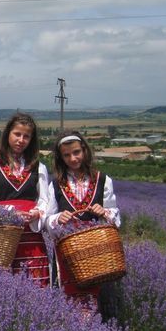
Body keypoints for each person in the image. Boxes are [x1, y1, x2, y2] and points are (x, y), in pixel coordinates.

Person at [0, 112, 53, 287]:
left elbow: (46, 201)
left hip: (31, 239)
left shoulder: (38, 168)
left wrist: (37, 213)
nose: (21, 140)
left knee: (35, 286)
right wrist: (10, 212)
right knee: (1, 287)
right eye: (17, 134)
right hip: (0, 240)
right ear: (8, 134)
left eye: (26, 136)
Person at [45, 131, 121, 309]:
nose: (73, 158)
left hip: (98, 254)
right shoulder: (56, 184)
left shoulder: (102, 180)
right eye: (66, 155)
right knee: (68, 299)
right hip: (68, 255)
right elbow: (47, 219)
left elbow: (115, 216)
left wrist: (105, 212)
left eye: (76, 152)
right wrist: (58, 218)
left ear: (85, 151)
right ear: (60, 158)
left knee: (99, 298)